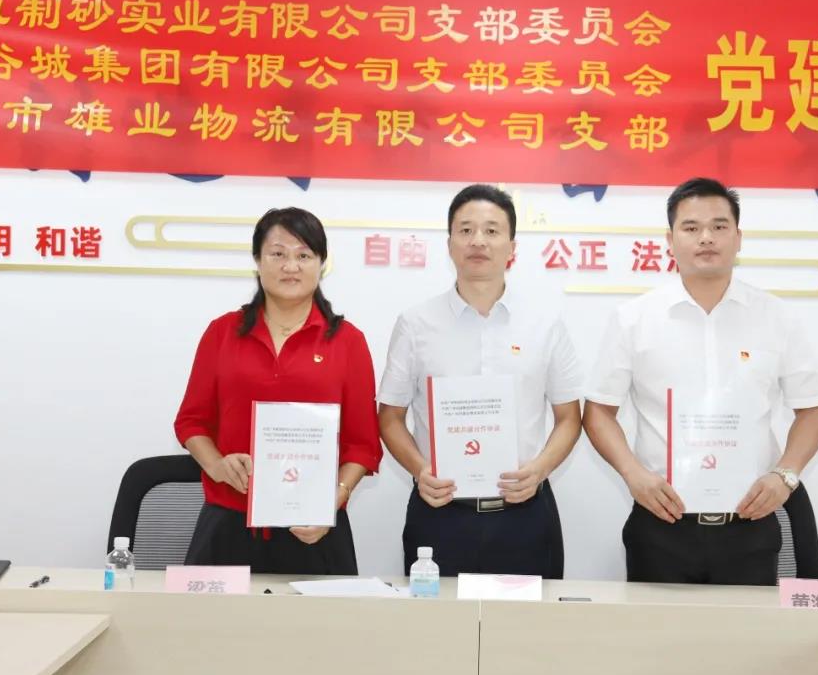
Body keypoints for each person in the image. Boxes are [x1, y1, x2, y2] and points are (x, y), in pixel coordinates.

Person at [583, 178, 818, 585]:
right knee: (658, 628)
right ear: (670, 240)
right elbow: (598, 412)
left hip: (751, 519)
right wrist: (633, 474)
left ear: (738, 238)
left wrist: (785, 476)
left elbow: (813, 411)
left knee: (751, 628)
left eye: (719, 226)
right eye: (691, 227)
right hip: (662, 520)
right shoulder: (634, 319)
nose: (706, 238)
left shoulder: (777, 317)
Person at [378, 184, 582, 578]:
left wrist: (539, 470)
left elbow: (569, 417)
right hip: (440, 513)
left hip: (525, 514)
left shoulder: (544, 324)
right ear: (449, 244)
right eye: (466, 230)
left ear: (512, 247)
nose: (478, 241)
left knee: (527, 619)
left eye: (491, 230)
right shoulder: (416, 323)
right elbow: (390, 417)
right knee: (436, 619)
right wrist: (420, 470)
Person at [174, 207, 381, 574]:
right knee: (213, 615)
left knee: (321, 615)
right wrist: (217, 465)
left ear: (321, 264)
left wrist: (336, 497)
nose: (291, 266)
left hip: (316, 528)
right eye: (278, 254)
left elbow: (362, 444)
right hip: (229, 524)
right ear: (257, 261)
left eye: (304, 255)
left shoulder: (347, 342)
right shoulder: (222, 333)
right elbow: (192, 422)